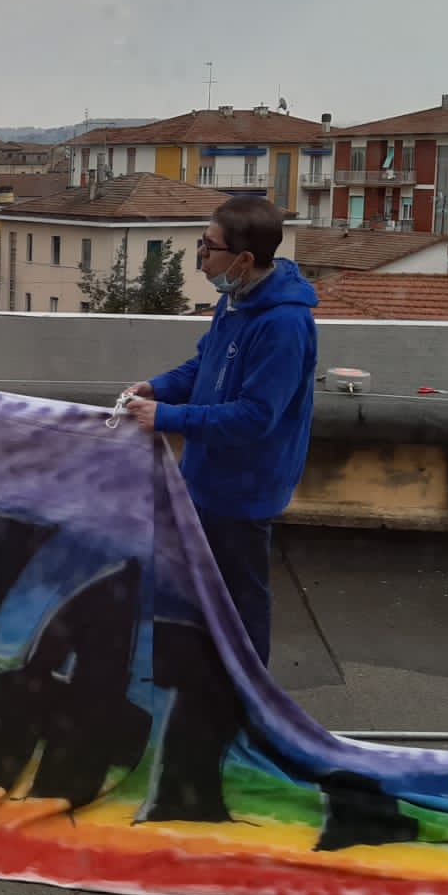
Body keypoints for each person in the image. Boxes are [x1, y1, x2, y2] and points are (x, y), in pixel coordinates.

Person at [124, 196, 317, 664]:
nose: (201, 256)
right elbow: (205, 365)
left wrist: (167, 418)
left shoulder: (284, 325)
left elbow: (256, 416)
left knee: (239, 600)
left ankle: (249, 690)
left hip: (244, 489)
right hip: (206, 475)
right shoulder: (236, 300)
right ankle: (207, 678)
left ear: (244, 260)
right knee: (200, 591)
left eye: (209, 247)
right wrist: (158, 388)